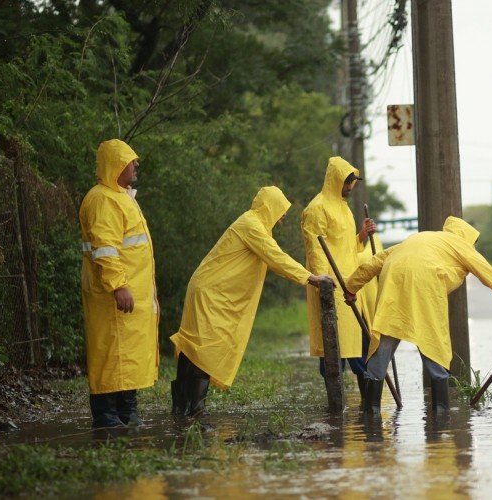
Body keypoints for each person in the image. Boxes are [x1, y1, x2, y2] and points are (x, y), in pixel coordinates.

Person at [170, 186, 333, 424]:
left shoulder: (256, 226)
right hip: (211, 293)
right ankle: (194, 411)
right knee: (204, 349)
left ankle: (182, 411)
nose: (283, 217)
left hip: (213, 292)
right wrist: (311, 277)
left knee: (195, 348)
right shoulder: (251, 225)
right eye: (281, 210)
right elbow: (277, 258)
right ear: (270, 207)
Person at [345, 216, 492, 414]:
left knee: (385, 339)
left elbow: (375, 262)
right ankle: (440, 419)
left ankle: (371, 417)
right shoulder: (461, 246)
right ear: (467, 238)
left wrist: (351, 287)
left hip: (393, 280)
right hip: (426, 284)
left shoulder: (420, 238)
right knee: (433, 342)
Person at [79, 139, 159, 428]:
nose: (136, 164)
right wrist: (119, 286)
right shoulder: (103, 199)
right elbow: (105, 248)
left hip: (129, 294)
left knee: (128, 353)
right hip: (114, 295)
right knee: (111, 352)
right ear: (115, 165)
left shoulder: (122, 197)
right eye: (130, 160)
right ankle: (106, 414)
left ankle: (127, 411)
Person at [301, 157, 377, 400]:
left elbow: (344, 249)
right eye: (347, 181)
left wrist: (362, 235)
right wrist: (324, 281)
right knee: (335, 347)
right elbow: (315, 249)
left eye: (353, 182)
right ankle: (336, 406)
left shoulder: (343, 208)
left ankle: (368, 407)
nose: (350, 186)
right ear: (335, 179)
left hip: (351, 284)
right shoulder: (316, 208)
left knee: (359, 346)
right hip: (331, 285)